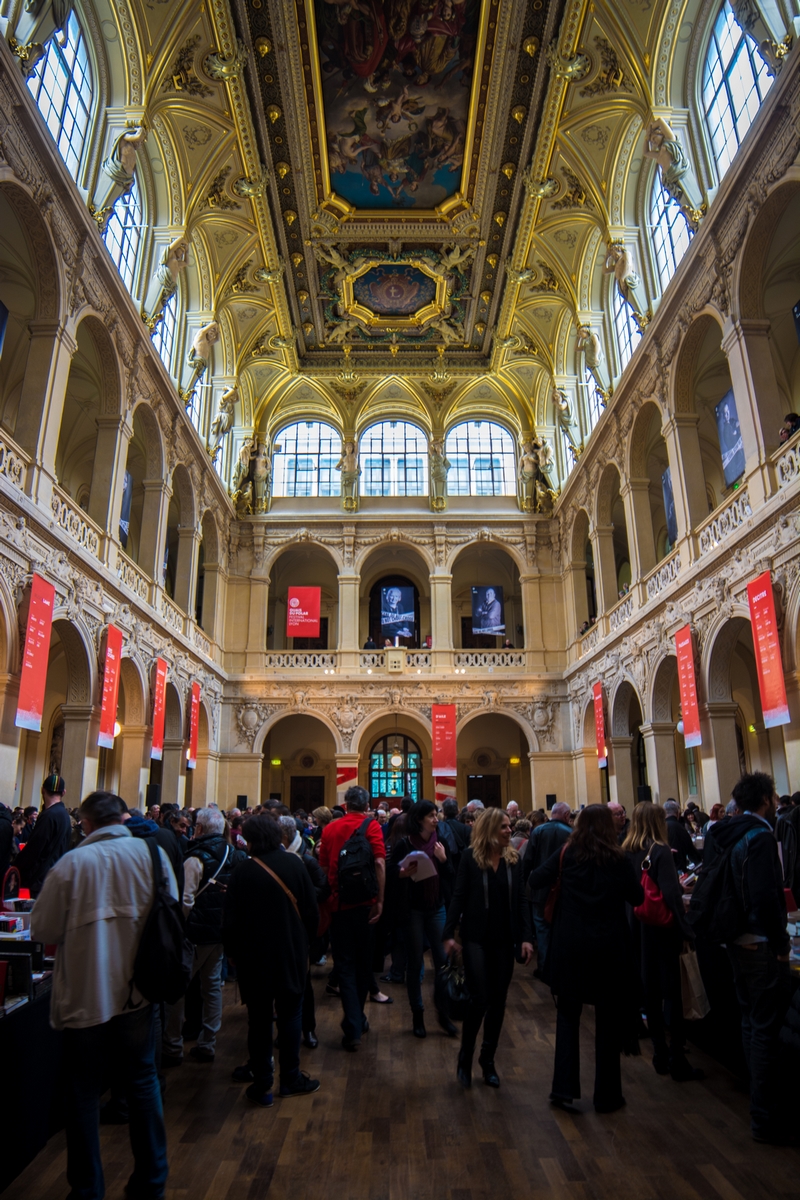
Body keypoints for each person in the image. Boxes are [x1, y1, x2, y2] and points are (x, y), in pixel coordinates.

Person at [30, 791, 175, 1199]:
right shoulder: (152, 857)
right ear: (123, 819)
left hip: (87, 993)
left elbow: (41, 929)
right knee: (143, 1079)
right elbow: (171, 909)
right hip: (137, 991)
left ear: (88, 824)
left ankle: (88, 1188)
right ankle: (151, 1180)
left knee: (83, 1090)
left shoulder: (74, 862)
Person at [529, 804, 643, 1114]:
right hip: (608, 946)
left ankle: (563, 1088)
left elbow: (536, 878)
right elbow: (638, 898)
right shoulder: (617, 858)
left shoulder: (569, 853)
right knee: (607, 1020)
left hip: (571, 944)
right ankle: (607, 1095)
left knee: (567, 1016)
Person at [710, 772, 793, 1144]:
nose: (776, 803)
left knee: (749, 1022)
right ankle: (765, 1115)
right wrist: (780, 943)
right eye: (773, 798)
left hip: (734, 939)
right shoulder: (759, 837)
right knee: (764, 1029)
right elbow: (765, 896)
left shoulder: (728, 833)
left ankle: (755, 1098)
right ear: (763, 800)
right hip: (759, 940)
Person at [224, 816, 320, 1105]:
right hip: (289, 952)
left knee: (259, 1019)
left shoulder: (243, 871)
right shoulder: (294, 864)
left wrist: (232, 954)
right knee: (291, 1015)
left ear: (250, 840)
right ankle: (290, 1078)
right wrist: (307, 944)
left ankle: (262, 1082)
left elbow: (230, 920)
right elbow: (311, 911)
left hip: (253, 957)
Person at [443, 808, 533, 1089]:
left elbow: (521, 901)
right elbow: (458, 897)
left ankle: (488, 1060)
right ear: (490, 831)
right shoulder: (470, 859)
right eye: (504, 827)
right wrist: (447, 934)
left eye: (509, 826)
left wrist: (527, 937)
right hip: (475, 938)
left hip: (504, 939)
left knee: (498, 1001)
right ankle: (465, 1055)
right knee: (479, 998)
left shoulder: (513, 860)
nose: (509, 830)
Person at [623, 803, 703, 1081]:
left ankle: (658, 1051)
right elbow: (670, 895)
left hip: (637, 927)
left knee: (651, 994)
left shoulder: (627, 850)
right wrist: (686, 931)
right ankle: (677, 1057)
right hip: (662, 931)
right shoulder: (659, 852)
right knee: (673, 994)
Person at [163, 807, 246, 1065]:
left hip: (195, 933)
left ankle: (173, 1046)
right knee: (211, 987)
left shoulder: (195, 858)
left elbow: (185, 900)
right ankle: (208, 1041)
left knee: (177, 989)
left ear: (199, 828)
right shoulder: (235, 854)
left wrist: (179, 928)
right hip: (220, 931)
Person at [318, 785, 386, 1051]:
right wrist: (380, 900)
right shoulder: (371, 827)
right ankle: (356, 1021)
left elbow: (323, 868)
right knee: (363, 965)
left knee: (344, 965)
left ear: (345, 804)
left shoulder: (330, 829)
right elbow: (380, 863)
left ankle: (354, 1023)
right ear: (367, 805)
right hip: (367, 905)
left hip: (339, 905)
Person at [390, 800, 456, 1038]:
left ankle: (444, 1013)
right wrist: (402, 873)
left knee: (443, 964)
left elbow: (451, 877)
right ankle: (417, 1013)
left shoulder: (441, 842)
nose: (435, 819)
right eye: (430, 815)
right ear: (419, 819)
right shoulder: (404, 845)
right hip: (413, 911)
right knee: (415, 963)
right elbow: (391, 874)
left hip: (436, 907)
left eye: (436, 814)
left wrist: (443, 859)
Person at [278, 814, 328, 1049]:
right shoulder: (275, 859)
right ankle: (285, 1030)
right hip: (282, 928)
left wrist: (302, 899)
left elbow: (322, 889)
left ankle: (308, 1029)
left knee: (303, 984)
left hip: (302, 929)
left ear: (285, 836)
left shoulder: (307, 861)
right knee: (282, 984)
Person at [524, 802, 572, 978]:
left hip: (540, 889)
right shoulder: (571, 833)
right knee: (560, 929)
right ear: (567, 815)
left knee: (542, 929)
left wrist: (525, 884)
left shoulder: (537, 831)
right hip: (563, 890)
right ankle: (560, 968)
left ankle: (544, 967)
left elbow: (528, 860)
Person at [15, 774, 72, 896]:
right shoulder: (65, 816)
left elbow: (34, 850)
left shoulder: (49, 816)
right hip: (56, 876)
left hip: (40, 880)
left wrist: (15, 867)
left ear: (42, 790)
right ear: (64, 792)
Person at [663, 799, 695, 871]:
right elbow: (689, 847)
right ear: (678, 813)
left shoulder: (660, 827)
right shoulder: (678, 827)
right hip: (678, 866)